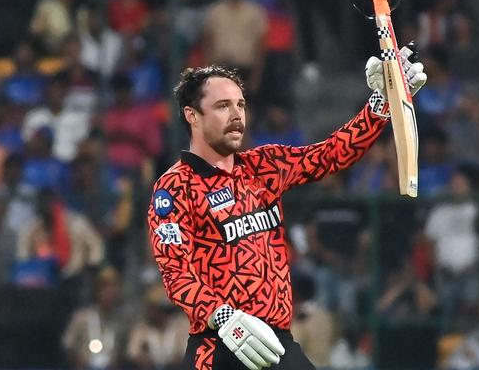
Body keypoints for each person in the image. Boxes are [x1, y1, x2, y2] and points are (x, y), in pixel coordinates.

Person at [148, 55, 426, 369]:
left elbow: (332, 154)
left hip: (277, 342)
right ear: (192, 116)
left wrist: (380, 104)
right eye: (223, 106)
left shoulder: (264, 165)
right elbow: (176, 274)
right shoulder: (174, 187)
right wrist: (223, 317)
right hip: (218, 347)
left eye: (241, 105)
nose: (237, 115)